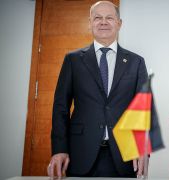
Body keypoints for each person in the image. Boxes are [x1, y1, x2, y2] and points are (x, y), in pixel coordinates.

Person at [47, 1, 149, 178]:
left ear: (119, 23)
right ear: (90, 23)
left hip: (124, 156)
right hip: (80, 152)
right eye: (97, 18)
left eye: (109, 17)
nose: (103, 22)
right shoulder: (73, 60)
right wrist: (59, 149)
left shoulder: (136, 62)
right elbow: (60, 107)